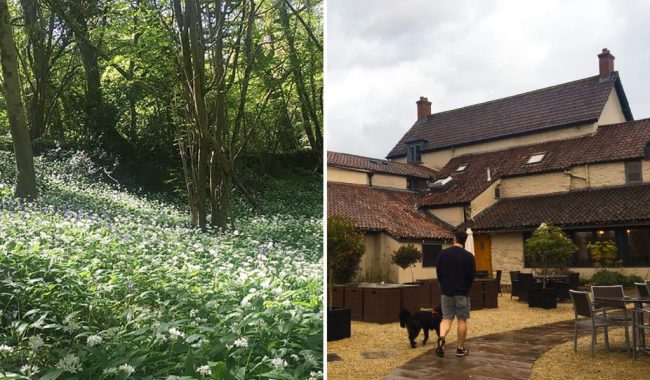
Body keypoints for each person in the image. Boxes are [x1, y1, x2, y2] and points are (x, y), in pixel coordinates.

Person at [435, 229, 476, 358]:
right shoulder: (469, 257)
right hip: (462, 292)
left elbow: (439, 272)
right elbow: (471, 276)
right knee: (462, 320)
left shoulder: (443, 254)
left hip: (446, 292)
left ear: (454, 239)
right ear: (464, 241)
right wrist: (466, 288)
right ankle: (460, 348)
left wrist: (443, 285)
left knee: (446, 319)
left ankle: (441, 338)